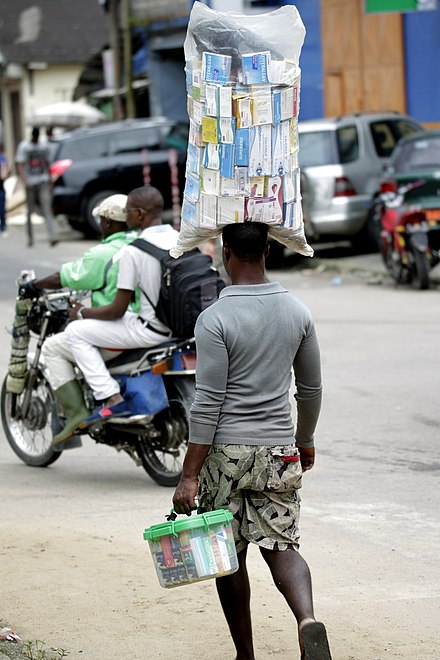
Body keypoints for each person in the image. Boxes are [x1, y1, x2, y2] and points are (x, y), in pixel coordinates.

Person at [172, 222, 332, 660]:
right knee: (282, 544)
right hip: (279, 448)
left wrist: (189, 474)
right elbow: (311, 390)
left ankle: (246, 655)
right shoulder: (297, 311)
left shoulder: (215, 319)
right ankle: (307, 620)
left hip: (225, 452)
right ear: (268, 251)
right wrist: (306, 441)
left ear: (226, 253)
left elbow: (208, 402)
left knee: (229, 552)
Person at [19, 194, 140, 445]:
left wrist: (32, 285)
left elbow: (62, 277)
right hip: (148, 323)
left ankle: (77, 413)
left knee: (54, 346)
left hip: (120, 328)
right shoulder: (141, 242)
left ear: (107, 222)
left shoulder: (104, 253)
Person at [63, 185, 179, 428]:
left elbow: (116, 310)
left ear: (139, 214)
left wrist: (82, 312)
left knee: (75, 333)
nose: (124, 218)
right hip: (181, 326)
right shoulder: (181, 238)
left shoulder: (133, 250)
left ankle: (110, 396)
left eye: (127, 212)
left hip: (151, 330)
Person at [15, 126, 58, 247]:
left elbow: (48, 163)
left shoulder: (44, 146)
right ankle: (30, 238)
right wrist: (25, 180)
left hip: (42, 180)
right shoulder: (24, 146)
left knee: (47, 208)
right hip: (30, 183)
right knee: (29, 210)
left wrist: (50, 180)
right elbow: (20, 164)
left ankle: (51, 237)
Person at [0, 143, 10, 237]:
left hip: (1, 188)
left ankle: (3, 228)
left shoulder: (2, 159)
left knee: (2, 210)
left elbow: (4, 174)